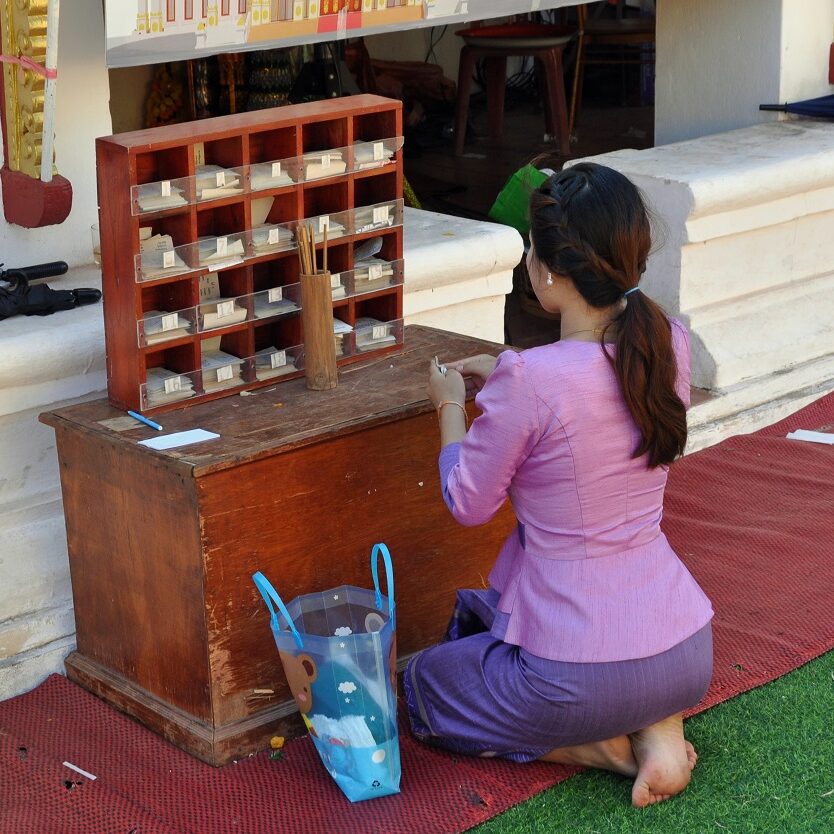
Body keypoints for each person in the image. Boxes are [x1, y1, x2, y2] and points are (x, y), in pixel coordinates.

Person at [404, 162, 714, 807]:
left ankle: (596, 747)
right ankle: (657, 722)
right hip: (685, 651)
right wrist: (510, 386)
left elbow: (467, 501)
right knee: (483, 614)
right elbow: (589, 394)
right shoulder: (668, 342)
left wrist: (449, 407)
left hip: (575, 674)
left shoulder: (531, 378)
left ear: (546, 270)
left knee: (425, 685)